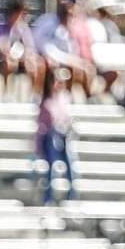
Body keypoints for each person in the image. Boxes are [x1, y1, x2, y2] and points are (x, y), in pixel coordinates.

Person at [35, 67, 76, 205]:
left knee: (70, 165)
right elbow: (42, 125)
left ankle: (72, 196)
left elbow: (68, 119)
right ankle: (49, 197)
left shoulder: (65, 98)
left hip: (64, 136)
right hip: (50, 138)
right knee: (50, 168)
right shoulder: (46, 101)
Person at [0, 0, 42, 92]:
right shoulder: (0, 27)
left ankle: (34, 94)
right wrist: (9, 54)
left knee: (36, 64)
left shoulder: (23, 29)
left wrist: (26, 57)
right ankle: (6, 92)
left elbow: (30, 47)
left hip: (19, 57)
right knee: (8, 62)